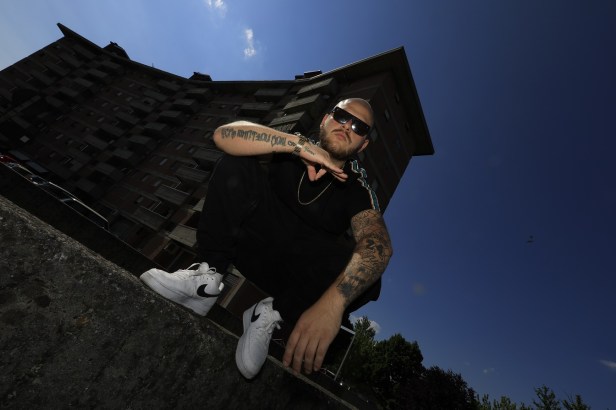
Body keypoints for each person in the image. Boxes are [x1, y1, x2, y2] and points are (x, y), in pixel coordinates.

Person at [140, 98, 393, 379]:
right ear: (325, 119)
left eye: (359, 127)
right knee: (238, 157)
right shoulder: (292, 145)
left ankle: (270, 313)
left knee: (369, 272)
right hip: (246, 243)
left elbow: (379, 244)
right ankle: (207, 279)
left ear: (363, 145)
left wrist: (333, 305)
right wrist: (296, 145)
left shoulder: (357, 188)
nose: (347, 126)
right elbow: (224, 135)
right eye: (342, 116)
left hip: (292, 278)